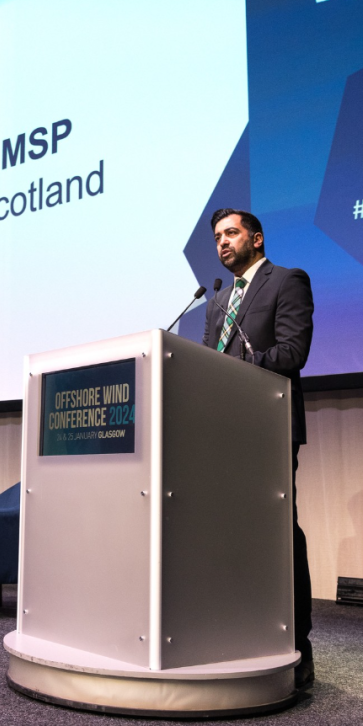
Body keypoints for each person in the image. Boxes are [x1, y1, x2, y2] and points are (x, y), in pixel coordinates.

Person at [202, 208, 314, 689]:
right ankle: (231, 631)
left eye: (231, 233)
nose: (223, 242)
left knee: (278, 533)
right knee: (222, 533)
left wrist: (241, 365)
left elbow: (293, 352)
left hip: (268, 427)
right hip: (217, 433)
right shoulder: (216, 301)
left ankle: (298, 644)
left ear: (257, 238)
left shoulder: (287, 281)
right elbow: (203, 362)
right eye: (217, 237)